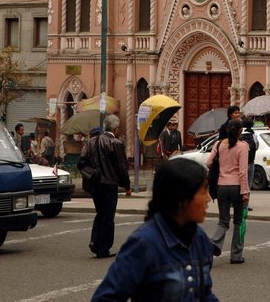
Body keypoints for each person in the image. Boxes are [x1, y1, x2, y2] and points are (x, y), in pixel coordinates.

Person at [91, 159, 219, 302]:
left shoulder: (200, 239)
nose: (208, 198)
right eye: (203, 191)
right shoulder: (144, 244)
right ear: (182, 198)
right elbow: (105, 298)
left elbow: (204, 293)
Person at [79, 114, 131, 258]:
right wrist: (127, 186)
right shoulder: (116, 143)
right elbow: (122, 167)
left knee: (100, 213)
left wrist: (92, 174)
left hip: (95, 184)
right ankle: (103, 248)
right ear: (116, 128)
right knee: (108, 216)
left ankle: (95, 241)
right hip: (109, 184)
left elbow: (81, 162)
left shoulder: (92, 141)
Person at [207, 119, 249, 264]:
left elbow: (208, 162)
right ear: (240, 131)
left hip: (221, 186)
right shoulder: (242, 146)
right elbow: (243, 171)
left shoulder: (218, 144)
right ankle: (236, 255)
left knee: (223, 221)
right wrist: (245, 191)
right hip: (237, 187)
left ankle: (214, 243)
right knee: (238, 221)